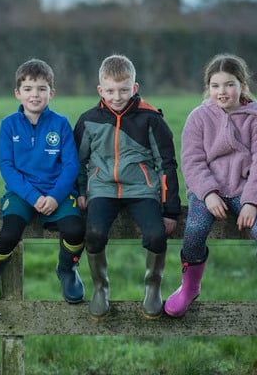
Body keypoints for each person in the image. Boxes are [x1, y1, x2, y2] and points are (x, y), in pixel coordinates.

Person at [164, 54, 257, 317]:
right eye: (215, 85)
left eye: (229, 84)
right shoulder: (199, 117)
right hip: (207, 190)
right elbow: (192, 161)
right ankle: (190, 286)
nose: (222, 91)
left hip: (244, 190)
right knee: (194, 228)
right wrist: (207, 194)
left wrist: (252, 202)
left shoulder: (256, 120)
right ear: (208, 88)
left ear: (242, 84)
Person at [0, 59, 85, 319]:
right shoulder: (9, 125)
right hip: (22, 193)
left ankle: (67, 270)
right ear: (18, 93)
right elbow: (7, 167)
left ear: (51, 93)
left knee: (76, 230)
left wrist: (54, 196)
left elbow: (70, 166)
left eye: (42, 89)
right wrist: (33, 196)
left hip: (58, 192)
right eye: (29, 89)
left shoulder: (61, 123)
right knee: (8, 234)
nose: (35, 95)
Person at [74, 54, 181, 320]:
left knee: (156, 235)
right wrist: (81, 192)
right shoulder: (88, 120)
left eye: (124, 90)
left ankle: (152, 285)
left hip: (141, 190)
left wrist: (170, 210)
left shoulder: (151, 119)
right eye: (110, 90)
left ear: (134, 88)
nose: (117, 96)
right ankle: (101, 286)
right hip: (103, 190)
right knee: (94, 233)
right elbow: (78, 161)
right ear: (101, 90)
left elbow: (166, 164)